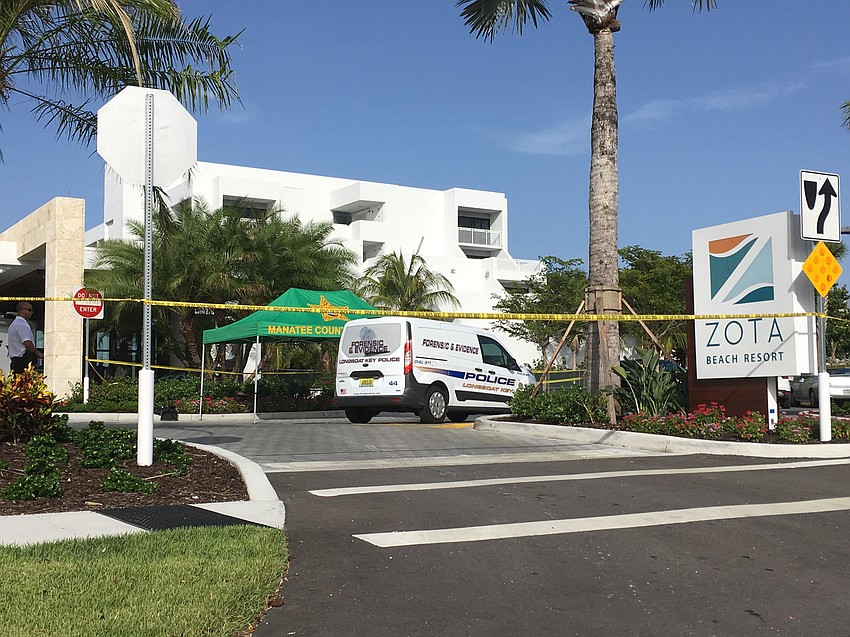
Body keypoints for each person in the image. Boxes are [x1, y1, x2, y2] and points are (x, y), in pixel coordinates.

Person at [8, 302, 43, 374]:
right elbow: (27, 343)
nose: (32, 312)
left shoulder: (13, 324)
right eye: (29, 310)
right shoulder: (22, 324)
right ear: (22, 310)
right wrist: (38, 354)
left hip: (16, 361)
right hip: (23, 360)